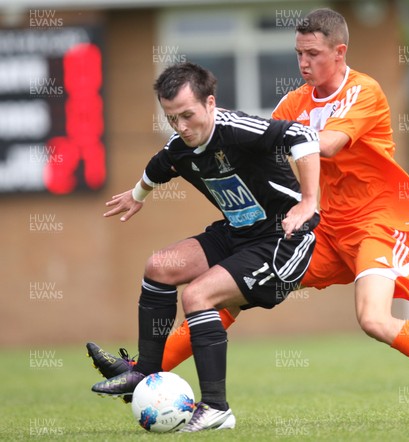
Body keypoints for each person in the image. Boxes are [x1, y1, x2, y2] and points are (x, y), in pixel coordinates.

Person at [88, 8, 409, 421]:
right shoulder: (294, 101)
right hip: (321, 228)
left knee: (374, 319)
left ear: (339, 52)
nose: (303, 63)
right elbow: (262, 148)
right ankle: (146, 372)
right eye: (298, 54)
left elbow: (320, 145)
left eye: (312, 54)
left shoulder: (364, 91)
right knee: (234, 290)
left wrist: (265, 143)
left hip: (376, 222)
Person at [90, 61, 321, 433]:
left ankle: (216, 408)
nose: (181, 127)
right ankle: (145, 372)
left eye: (187, 115)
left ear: (210, 103)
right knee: (159, 266)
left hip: (282, 240)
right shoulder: (180, 147)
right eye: (171, 119)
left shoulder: (237, 130)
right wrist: (137, 195)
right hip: (237, 233)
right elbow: (158, 165)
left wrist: (308, 201)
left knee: (197, 296)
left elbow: (303, 135)